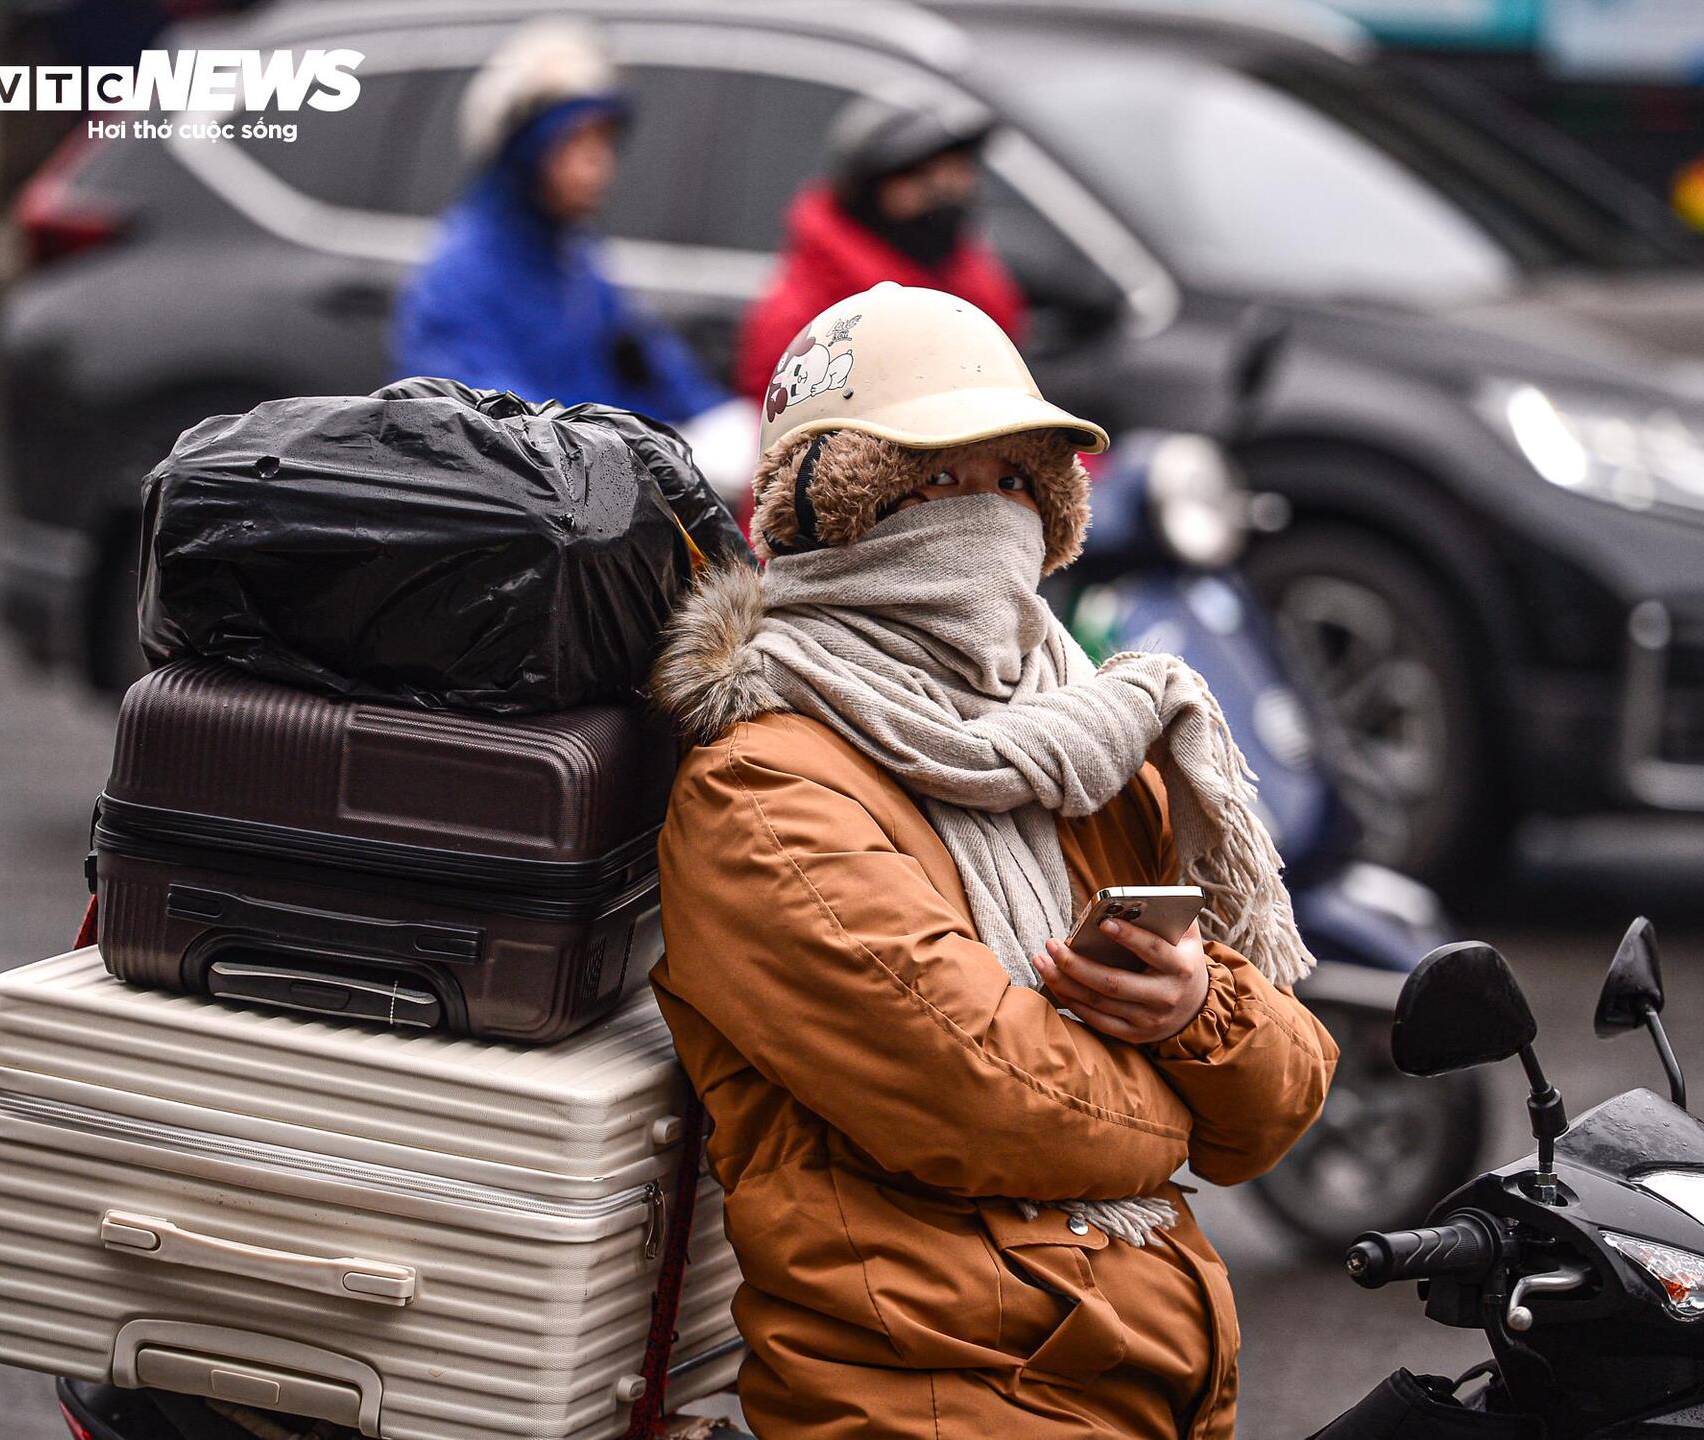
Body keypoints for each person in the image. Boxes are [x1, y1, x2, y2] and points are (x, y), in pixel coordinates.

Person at [650, 282, 1337, 1440]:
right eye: (933, 481)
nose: (986, 515)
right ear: (835, 508)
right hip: (937, 1391)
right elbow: (995, 1099)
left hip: (1146, 1378)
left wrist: (1192, 1010)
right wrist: (1181, 1084)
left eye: (1017, 480)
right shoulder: (761, 789)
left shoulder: (1087, 733)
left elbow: (1280, 1098)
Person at [392, 20, 723, 423]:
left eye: (604, 140)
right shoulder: (460, 275)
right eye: (575, 140)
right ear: (525, 151)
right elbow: (489, 423)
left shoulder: (574, 256)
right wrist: (622, 446)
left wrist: (714, 420)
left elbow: (647, 361)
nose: (599, 163)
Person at [733, 93, 1025, 405]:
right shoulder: (805, 323)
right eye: (922, 179)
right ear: (868, 191)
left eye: (958, 175)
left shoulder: (974, 286)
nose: (945, 194)